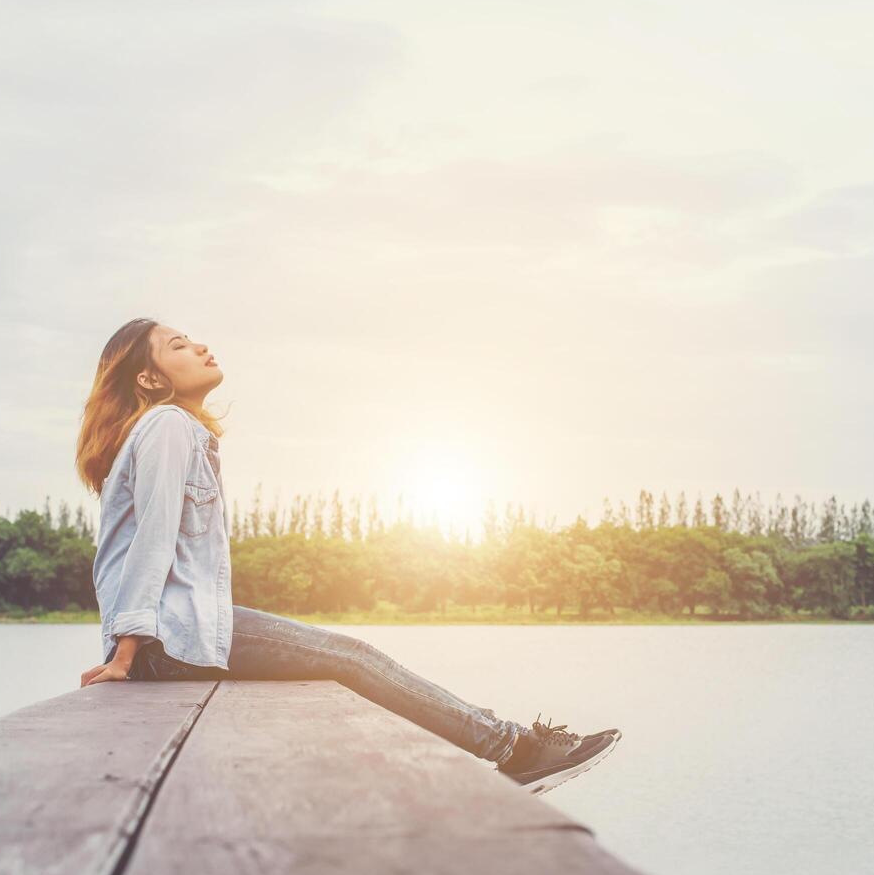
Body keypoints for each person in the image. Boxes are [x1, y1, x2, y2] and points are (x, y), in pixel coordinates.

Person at [73, 317, 620, 795]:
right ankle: (514, 750)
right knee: (351, 656)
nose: (199, 347)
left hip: (174, 637)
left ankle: (508, 746)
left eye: (192, 340)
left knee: (345, 655)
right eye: (178, 346)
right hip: (170, 639)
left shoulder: (175, 431)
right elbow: (153, 540)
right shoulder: (168, 425)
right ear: (149, 378)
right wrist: (127, 654)